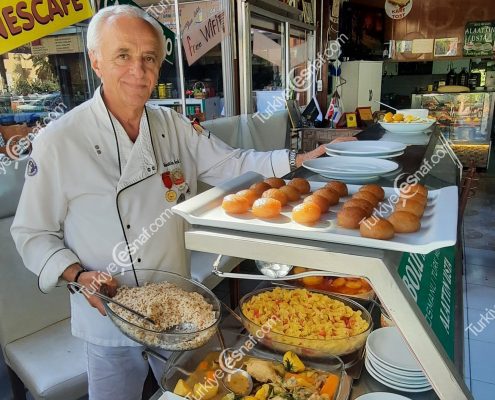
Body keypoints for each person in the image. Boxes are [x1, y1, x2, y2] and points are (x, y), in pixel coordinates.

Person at [11, 5, 355, 399]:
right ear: (96, 61)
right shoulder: (59, 141)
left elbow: (233, 163)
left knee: (207, 391)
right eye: (123, 56)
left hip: (181, 312)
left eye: (149, 58)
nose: (138, 71)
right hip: (107, 316)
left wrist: (299, 160)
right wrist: (77, 275)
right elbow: (32, 232)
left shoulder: (171, 124)